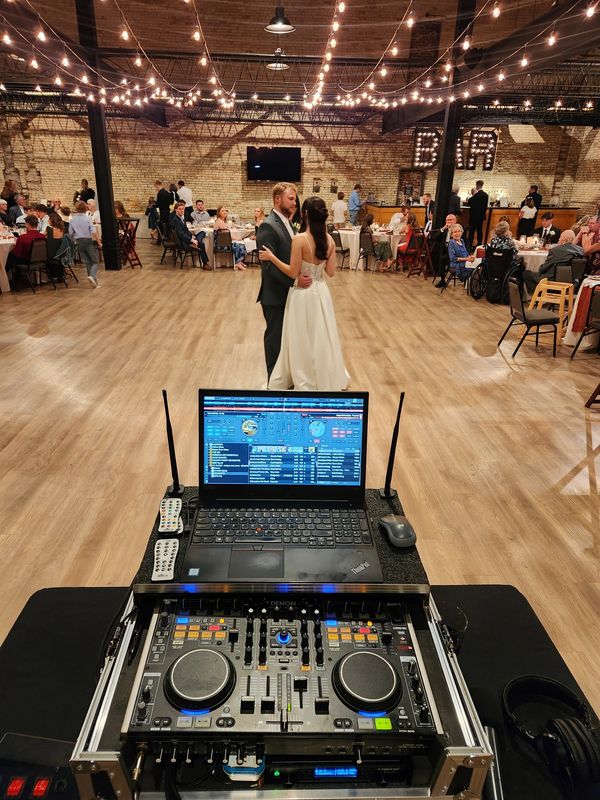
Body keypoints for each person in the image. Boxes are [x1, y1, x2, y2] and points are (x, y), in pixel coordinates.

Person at [262, 196, 349, 391]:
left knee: (301, 337)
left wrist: (271, 257)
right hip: (321, 291)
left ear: (306, 214)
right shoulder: (329, 240)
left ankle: (303, 375)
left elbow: (293, 273)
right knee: (321, 335)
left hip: (302, 293)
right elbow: (331, 272)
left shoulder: (299, 239)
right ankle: (323, 374)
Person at [256, 182, 311, 379]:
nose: (294, 202)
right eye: (290, 198)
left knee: (286, 339)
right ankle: (273, 380)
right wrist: (295, 282)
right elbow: (268, 267)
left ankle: (284, 377)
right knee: (275, 339)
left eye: (295, 198)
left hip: (287, 294)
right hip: (274, 295)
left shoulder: (287, 222)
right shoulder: (268, 225)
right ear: (277, 199)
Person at [522, 230, 584, 294]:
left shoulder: (555, 250)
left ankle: (538, 297)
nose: (559, 239)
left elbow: (543, 268)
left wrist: (540, 268)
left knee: (526, 274)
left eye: (560, 237)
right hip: (572, 281)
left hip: (554, 280)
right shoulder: (580, 250)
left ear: (564, 240)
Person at [5, 214, 46, 284]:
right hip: (39, 260)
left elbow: (17, 253)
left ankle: (5, 279)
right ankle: (16, 278)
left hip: (26, 261)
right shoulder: (43, 236)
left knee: (10, 256)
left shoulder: (23, 237)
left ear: (27, 224)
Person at [70, 200, 102, 287]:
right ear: (85, 208)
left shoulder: (72, 220)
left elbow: (70, 233)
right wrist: (99, 242)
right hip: (87, 241)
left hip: (79, 242)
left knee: (88, 262)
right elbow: (94, 232)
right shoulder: (87, 219)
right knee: (95, 261)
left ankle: (93, 283)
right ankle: (92, 276)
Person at [170, 201, 209, 268]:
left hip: (187, 238)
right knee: (201, 244)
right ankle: (205, 264)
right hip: (184, 242)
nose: (182, 210)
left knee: (202, 232)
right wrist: (191, 240)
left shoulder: (181, 218)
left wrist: (192, 236)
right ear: (176, 210)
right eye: (179, 209)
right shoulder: (175, 220)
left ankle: (196, 243)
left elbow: (186, 230)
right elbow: (181, 234)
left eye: (183, 209)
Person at [428, 213, 457, 287]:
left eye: (450, 220)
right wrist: (443, 228)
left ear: (455, 221)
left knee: (442, 258)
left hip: (454, 251)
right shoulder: (444, 230)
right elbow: (433, 238)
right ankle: (442, 279)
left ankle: (442, 279)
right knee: (440, 256)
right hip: (445, 249)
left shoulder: (458, 230)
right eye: (447, 220)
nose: (449, 222)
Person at [466, 180, 489, 248]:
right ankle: (479, 244)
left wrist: (473, 195)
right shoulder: (486, 195)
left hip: (473, 216)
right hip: (481, 216)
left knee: (472, 230)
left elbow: (469, 202)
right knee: (479, 230)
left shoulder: (475, 196)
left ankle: (470, 244)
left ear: (477, 185)